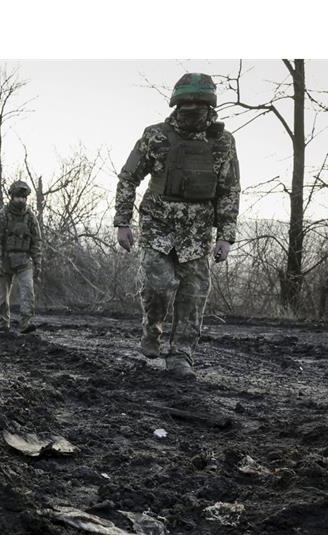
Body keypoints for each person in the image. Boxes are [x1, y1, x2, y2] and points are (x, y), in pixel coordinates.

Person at [114, 73, 240, 379]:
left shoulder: (223, 142)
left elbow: (229, 190)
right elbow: (129, 177)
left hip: (197, 234)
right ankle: (151, 331)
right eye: (186, 102)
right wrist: (123, 221)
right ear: (176, 103)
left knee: (193, 296)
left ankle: (181, 356)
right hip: (158, 227)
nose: (192, 107)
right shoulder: (155, 136)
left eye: (198, 102)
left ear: (210, 105)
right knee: (157, 288)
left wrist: (225, 236)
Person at [0, 180, 42, 334]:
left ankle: (26, 322)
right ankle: (3, 322)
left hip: (24, 260)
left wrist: (38, 263)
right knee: (3, 296)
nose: (21, 200)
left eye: (24, 197)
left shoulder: (30, 217)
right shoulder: (2, 215)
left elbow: (36, 241)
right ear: (11, 197)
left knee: (28, 291)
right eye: (18, 197)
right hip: (5, 261)